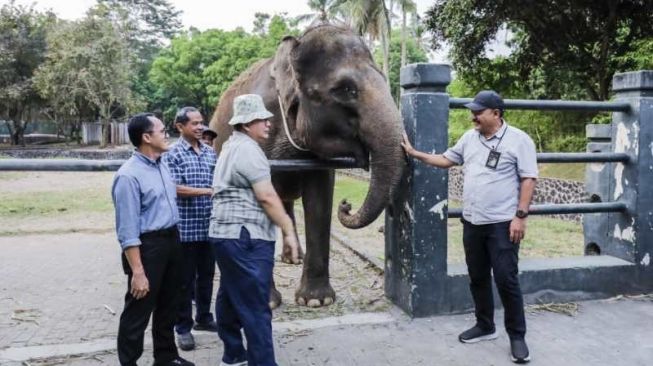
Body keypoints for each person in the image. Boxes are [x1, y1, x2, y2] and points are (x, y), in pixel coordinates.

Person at [401, 90, 537, 364]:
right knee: (477, 277)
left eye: (478, 111)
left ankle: (517, 336)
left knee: (506, 279)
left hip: (502, 224)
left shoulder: (519, 140)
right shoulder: (469, 139)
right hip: (472, 221)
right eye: (473, 111)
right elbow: (446, 160)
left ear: (496, 114)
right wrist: (415, 153)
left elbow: (528, 178)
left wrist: (520, 216)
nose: (473, 116)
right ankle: (485, 325)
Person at [208, 94, 300, 366]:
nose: (269, 124)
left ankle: (233, 354)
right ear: (247, 124)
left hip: (225, 235)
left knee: (229, 294)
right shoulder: (249, 151)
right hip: (245, 236)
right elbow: (267, 197)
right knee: (256, 307)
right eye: (262, 120)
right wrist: (288, 230)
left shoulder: (230, 146)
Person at [112, 113, 194, 366]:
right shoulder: (128, 176)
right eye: (161, 130)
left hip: (172, 239)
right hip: (148, 247)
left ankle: (166, 358)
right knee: (138, 308)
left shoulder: (163, 164)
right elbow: (127, 230)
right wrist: (138, 270)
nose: (166, 133)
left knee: (170, 303)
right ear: (147, 137)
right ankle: (128, 362)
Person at [163, 107, 218, 351]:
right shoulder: (172, 154)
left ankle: (204, 318)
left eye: (201, 123)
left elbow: (217, 181)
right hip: (185, 229)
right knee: (183, 282)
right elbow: (173, 187)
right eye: (194, 123)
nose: (199, 127)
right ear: (180, 126)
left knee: (206, 277)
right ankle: (182, 328)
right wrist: (207, 191)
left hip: (209, 227)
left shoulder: (209, 152)